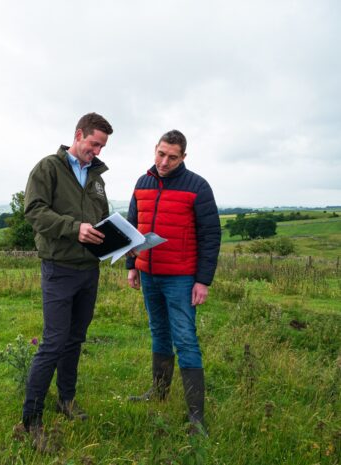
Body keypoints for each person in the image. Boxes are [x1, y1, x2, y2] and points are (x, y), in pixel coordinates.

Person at [21, 112, 113, 446]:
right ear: (78, 135)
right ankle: (31, 423)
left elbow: (101, 218)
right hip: (59, 268)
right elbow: (34, 211)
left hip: (89, 270)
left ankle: (66, 401)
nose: (97, 152)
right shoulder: (48, 168)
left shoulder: (97, 178)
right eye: (93, 144)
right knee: (54, 343)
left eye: (102, 146)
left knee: (75, 340)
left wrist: (117, 240)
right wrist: (75, 229)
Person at [125, 129, 221, 433]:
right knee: (159, 333)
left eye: (172, 157)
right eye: (161, 154)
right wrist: (132, 265)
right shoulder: (142, 183)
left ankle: (196, 417)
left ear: (183, 157)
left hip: (180, 278)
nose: (164, 161)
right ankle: (159, 392)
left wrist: (202, 281)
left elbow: (210, 236)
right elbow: (132, 228)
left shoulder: (198, 187)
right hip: (149, 275)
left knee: (186, 339)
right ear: (155, 149)